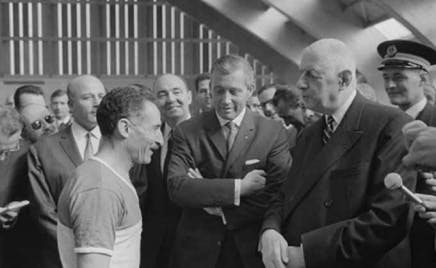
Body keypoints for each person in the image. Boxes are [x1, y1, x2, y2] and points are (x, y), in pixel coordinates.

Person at [259, 39, 415, 268]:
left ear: (343, 80)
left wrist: (307, 255)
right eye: (301, 74)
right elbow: (285, 195)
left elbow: (389, 217)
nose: (300, 84)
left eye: (311, 75)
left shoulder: (391, 126)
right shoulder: (309, 135)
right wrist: (270, 229)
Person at [167, 54, 291, 268]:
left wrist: (217, 204)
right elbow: (177, 187)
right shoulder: (187, 132)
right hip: (198, 253)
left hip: (250, 250)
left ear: (250, 89)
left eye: (234, 91)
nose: (225, 100)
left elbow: (278, 192)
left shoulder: (272, 132)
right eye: (219, 90)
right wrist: (240, 188)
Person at [57, 86, 163, 268]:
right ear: (124, 128)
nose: (159, 140)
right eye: (154, 129)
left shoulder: (108, 179)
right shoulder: (100, 188)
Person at [27, 75, 106, 268]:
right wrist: (76, 245)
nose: (97, 103)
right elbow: (43, 208)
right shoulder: (43, 149)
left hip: (114, 251)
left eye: (101, 96)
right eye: (87, 98)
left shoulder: (122, 141)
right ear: (70, 105)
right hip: (62, 256)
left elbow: (138, 192)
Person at [378, 39, 436, 268]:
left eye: (399, 77)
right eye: (386, 78)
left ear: (423, 78)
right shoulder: (383, 125)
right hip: (390, 244)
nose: (390, 85)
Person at [135, 73, 191, 268]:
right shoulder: (148, 137)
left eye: (176, 92)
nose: (170, 99)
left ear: (189, 96)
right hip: (154, 245)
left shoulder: (207, 135)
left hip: (194, 244)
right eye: (162, 94)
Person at [0, 105, 33, 268]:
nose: (3, 157)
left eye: (11, 148)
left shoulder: (24, 152)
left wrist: (16, 208)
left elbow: (26, 191)